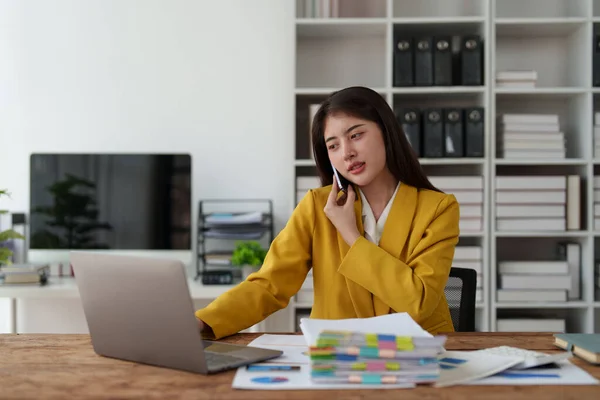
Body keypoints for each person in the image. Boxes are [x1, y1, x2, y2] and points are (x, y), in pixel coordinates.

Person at [195, 86, 460, 339]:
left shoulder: (438, 208)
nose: (347, 153)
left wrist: (350, 234)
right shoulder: (316, 206)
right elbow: (269, 286)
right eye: (333, 145)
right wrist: (204, 321)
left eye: (356, 135)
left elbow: (419, 301)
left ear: (386, 132)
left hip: (419, 354)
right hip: (337, 355)